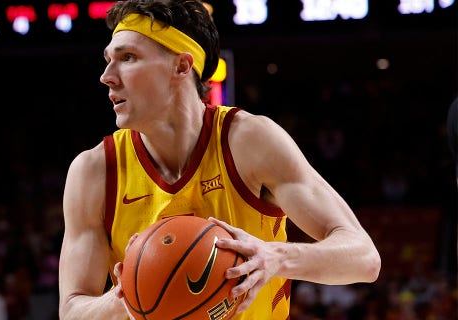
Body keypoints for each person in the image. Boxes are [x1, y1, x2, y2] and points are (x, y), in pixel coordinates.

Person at [58, 1, 381, 319]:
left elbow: (363, 258)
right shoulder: (95, 170)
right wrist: (122, 299)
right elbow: (72, 310)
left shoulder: (248, 141)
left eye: (128, 58)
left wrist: (275, 256)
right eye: (108, 60)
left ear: (182, 67)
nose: (107, 76)